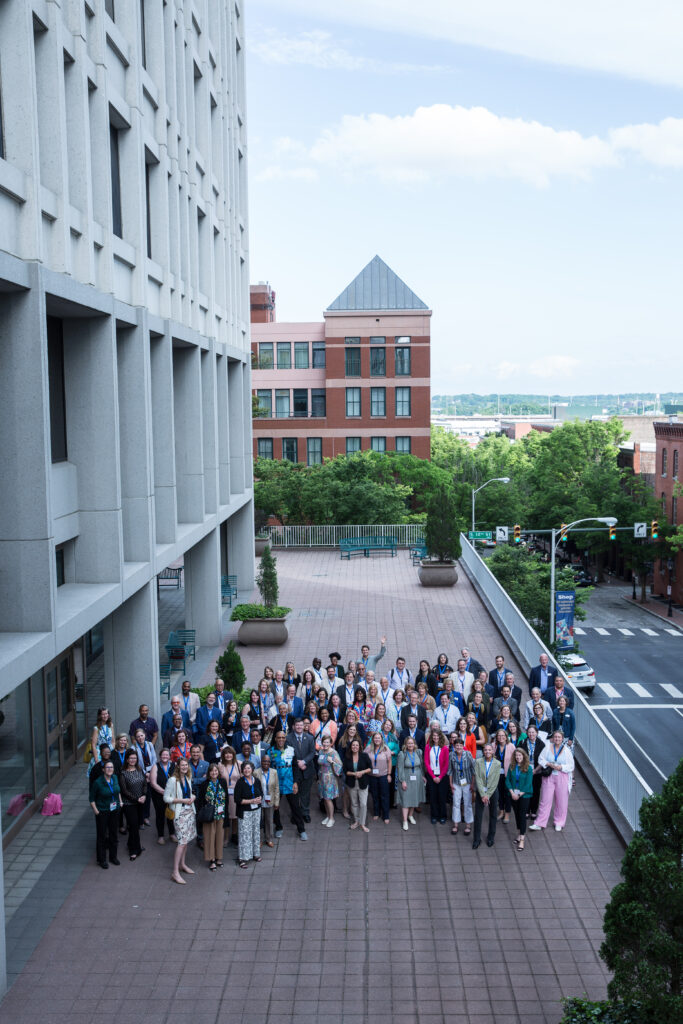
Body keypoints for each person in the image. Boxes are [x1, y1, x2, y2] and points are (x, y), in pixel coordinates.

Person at [529, 730, 575, 832]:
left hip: (562, 777)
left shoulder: (567, 751)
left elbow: (571, 766)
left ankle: (559, 822)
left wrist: (561, 767)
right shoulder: (547, 748)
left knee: (561, 801)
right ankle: (540, 822)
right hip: (549, 776)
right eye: (555, 737)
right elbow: (541, 759)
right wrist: (549, 764)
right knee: (545, 800)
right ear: (553, 738)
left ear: (562, 739)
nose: (557, 739)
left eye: (559, 737)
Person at [163, 757, 197, 884]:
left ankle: (183, 864)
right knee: (182, 842)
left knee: (186, 840)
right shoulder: (172, 780)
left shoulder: (187, 777)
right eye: (182, 765)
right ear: (177, 766)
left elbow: (189, 794)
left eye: (186, 765)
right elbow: (166, 798)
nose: (184, 767)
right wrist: (182, 801)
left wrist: (192, 797)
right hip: (179, 814)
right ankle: (175, 872)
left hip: (189, 812)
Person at [270, 730, 307, 841]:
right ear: (275, 739)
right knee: (276, 807)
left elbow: (295, 768)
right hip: (276, 785)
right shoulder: (270, 752)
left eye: (283, 737)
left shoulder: (291, 750)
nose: (281, 739)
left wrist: (295, 782)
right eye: (279, 737)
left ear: (285, 738)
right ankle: (278, 827)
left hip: (290, 784)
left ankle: (301, 830)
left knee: (296, 807)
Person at [89, 759, 122, 868]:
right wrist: (96, 811)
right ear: (103, 769)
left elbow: (117, 791)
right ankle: (101, 859)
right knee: (102, 836)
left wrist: (120, 801)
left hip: (114, 810)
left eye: (111, 767)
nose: (110, 769)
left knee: (113, 834)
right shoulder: (98, 782)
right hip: (102, 811)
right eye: (107, 767)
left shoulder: (115, 778)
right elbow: (91, 799)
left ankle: (113, 857)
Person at [197, 763, 227, 869]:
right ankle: (212, 859)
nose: (214, 773)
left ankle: (219, 858)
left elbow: (226, 799)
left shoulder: (223, 782)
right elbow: (200, 800)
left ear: (218, 772)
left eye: (216, 771)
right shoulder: (205, 784)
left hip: (221, 814)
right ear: (209, 773)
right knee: (209, 837)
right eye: (212, 771)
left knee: (219, 836)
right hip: (209, 815)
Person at [286, 719, 316, 822]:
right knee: (294, 793)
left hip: (307, 769)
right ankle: (295, 814)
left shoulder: (310, 738)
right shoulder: (288, 738)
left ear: (304, 726)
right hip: (294, 770)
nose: (299, 727)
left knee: (305, 793)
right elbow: (287, 752)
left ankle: (305, 812)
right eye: (297, 725)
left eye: (301, 725)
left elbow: (312, 752)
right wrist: (298, 763)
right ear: (294, 726)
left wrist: (304, 762)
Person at [234, 761, 263, 867]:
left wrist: (260, 799)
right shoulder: (240, 782)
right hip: (245, 811)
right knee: (244, 834)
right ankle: (242, 858)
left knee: (256, 832)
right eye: (245, 768)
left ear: (252, 769)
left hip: (256, 811)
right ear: (242, 770)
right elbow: (237, 800)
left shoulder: (257, 781)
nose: (247, 770)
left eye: (249, 768)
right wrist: (251, 801)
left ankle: (255, 854)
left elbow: (261, 793)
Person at [119, 749, 147, 861]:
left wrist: (144, 795)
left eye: (134, 758)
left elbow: (145, 783)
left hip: (141, 801)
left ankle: (132, 843)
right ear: (127, 759)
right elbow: (124, 791)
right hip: (129, 803)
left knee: (136, 825)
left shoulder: (140, 769)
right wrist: (137, 799)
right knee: (133, 825)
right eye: (130, 758)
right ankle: (134, 850)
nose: (132, 760)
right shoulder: (123, 773)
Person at [472, 743, 501, 849]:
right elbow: (478, 779)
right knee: (478, 816)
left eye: (489, 750)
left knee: (493, 815)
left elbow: (495, 781)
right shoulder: (478, 762)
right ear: (483, 752)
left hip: (492, 792)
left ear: (493, 751)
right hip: (481, 792)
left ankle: (490, 838)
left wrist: (487, 795)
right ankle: (476, 839)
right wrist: (483, 794)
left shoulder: (497, 763)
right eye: (485, 750)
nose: (487, 752)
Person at [506, 747, 533, 851]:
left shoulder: (528, 768)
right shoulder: (512, 766)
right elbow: (508, 780)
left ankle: (522, 839)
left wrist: (519, 794)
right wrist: (512, 792)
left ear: (524, 756)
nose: (518, 757)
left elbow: (528, 784)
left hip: (524, 795)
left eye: (520, 755)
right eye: (516, 755)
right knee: (517, 814)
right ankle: (519, 833)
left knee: (522, 815)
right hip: (513, 794)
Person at [396, 736, 425, 831]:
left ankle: (410, 816)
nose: (410, 745)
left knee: (414, 798)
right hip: (406, 778)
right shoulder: (402, 754)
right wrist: (402, 780)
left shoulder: (418, 752)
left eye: (412, 743)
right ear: (405, 744)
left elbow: (421, 765)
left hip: (417, 778)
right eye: (408, 743)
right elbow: (400, 768)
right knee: (405, 800)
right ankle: (404, 821)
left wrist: (423, 776)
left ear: (414, 744)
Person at [343, 738, 372, 832]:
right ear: (351, 747)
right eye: (353, 745)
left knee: (363, 804)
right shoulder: (347, 756)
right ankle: (356, 821)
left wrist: (362, 772)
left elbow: (370, 768)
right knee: (354, 803)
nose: (355, 747)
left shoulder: (364, 756)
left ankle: (362, 823)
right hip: (351, 783)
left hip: (363, 782)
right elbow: (345, 771)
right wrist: (354, 774)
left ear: (359, 747)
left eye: (357, 745)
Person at [449, 737, 476, 836]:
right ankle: (455, 824)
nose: (459, 747)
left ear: (463, 746)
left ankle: (468, 825)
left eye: (460, 745)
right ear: (454, 746)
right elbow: (450, 770)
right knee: (456, 803)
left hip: (467, 782)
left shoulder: (468, 754)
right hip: (456, 782)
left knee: (467, 803)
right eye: (457, 746)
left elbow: (473, 770)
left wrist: (473, 784)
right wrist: (450, 783)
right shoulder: (451, 755)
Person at [149, 748, 175, 845]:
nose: (165, 757)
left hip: (172, 795)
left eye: (166, 755)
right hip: (158, 795)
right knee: (160, 815)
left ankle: (172, 834)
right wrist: (165, 793)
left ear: (169, 756)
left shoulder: (174, 765)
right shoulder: (155, 766)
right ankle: (161, 836)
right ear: (160, 756)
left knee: (171, 813)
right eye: (163, 755)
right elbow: (153, 783)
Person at [424, 726, 450, 824]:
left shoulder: (444, 748)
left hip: (442, 776)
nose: (435, 737)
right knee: (433, 796)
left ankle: (442, 815)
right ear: (431, 737)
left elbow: (446, 764)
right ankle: (434, 815)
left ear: (441, 737)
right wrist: (433, 776)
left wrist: (440, 777)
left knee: (442, 796)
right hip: (431, 775)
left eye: (437, 736)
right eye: (434, 736)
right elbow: (426, 762)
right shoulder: (428, 747)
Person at [317, 736, 343, 828]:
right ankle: (328, 816)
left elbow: (340, 765)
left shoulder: (333, 753)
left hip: (330, 778)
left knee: (328, 799)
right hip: (321, 778)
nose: (325, 744)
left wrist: (332, 762)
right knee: (324, 798)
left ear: (331, 743)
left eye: (327, 742)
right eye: (324, 742)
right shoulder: (320, 751)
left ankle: (332, 818)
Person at [366, 731, 392, 824]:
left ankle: (386, 815)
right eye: (375, 738)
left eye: (379, 738)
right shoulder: (368, 748)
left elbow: (389, 762)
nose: (377, 739)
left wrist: (389, 774)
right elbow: (364, 759)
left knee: (384, 796)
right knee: (375, 795)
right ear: (373, 739)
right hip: (372, 776)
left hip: (383, 776)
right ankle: (376, 812)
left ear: (381, 740)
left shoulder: (385, 749)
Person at [132, 727, 156, 827]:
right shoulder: (133, 748)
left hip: (151, 774)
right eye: (138, 736)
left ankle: (146, 817)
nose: (140, 738)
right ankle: (140, 818)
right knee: (140, 796)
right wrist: (145, 773)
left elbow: (154, 759)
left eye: (141, 735)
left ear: (145, 735)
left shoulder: (150, 745)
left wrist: (151, 773)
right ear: (136, 738)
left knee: (148, 796)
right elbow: (134, 763)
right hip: (140, 775)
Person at [255, 752, 280, 847]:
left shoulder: (274, 772)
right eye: (264, 761)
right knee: (259, 821)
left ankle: (269, 839)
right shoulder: (256, 772)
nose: (266, 763)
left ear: (270, 763)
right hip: (259, 801)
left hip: (270, 801)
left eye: (268, 761)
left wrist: (277, 802)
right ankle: (260, 839)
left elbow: (277, 788)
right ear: (261, 762)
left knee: (269, 820)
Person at [521, 723, 546, 817]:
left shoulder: (541, 744)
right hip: (525, 770)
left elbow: (543, 759)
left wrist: (536, 770)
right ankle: (526, 810)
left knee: (536, 790)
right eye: (529, 732)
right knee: (526, 790)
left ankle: (534, 810)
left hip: (537, 770)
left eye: (533, 732)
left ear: (537, 733)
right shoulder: (523, 742)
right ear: (527, 733)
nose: (531, 734)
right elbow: (519, 757)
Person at [218, 745, 240, 847]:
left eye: (230, 753)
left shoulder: (239, 764)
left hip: (236, 794)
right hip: (224, 795)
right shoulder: (220, 765)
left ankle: (234, 835)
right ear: (223, 755)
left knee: (235, 816)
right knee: (226, 816)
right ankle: (225, 838)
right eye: (226, 753)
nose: (228, 755)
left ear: (233, 754)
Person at [494, 728, 515, 824]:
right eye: (499, 736)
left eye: (503, 736)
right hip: (497, 774)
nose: (501, 737)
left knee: (507, 794)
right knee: (499, 793)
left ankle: (507, 813)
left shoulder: (511, 746)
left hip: (508, 774)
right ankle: (501, 811)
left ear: (506, 737)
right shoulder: (494, 746)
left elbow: (515, 760)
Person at [88, 707, 115, 776]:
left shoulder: (110, 725)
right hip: (100, 752)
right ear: (99, 716)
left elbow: (113, 741)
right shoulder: (96, 728)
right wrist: (96, 759)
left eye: (106, 713)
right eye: (103, 714)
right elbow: (93, 744)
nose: (105, 716)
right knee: (100, 774)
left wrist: (113, 752)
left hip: (110, 751)